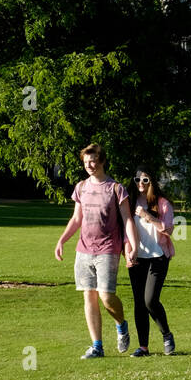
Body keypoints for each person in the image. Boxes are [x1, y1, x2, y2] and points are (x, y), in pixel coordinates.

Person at [54, 143, 139, 358]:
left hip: (108, 249)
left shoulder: (116, 189)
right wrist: (62, 240)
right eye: (85, 162)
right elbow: (76, 219)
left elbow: (127, 218)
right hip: (84, 249)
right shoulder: (81, 187)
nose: (89, 165)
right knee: (88, 296)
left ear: (101, 161)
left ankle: (121, 324)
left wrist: (133, 244)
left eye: (92, 161)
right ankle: (97, 346)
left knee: (106, 297)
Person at [126, 166, 176, 356]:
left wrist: (147, 216)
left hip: (158, 257)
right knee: (139, 303)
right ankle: (143, 347)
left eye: (145, 180)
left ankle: (167, 335)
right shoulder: (129, 203)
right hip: (138, 258)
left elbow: (168, 230)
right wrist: (128, 250)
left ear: (152, 182)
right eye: (137, 179)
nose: (140, 183)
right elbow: (125, 231)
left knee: (150, 300)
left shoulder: (163, 203)